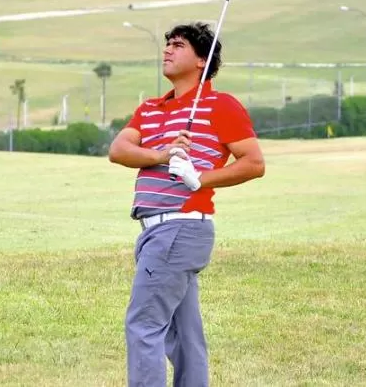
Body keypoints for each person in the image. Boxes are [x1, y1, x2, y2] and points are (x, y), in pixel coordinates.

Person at [108, 22, 266, 387]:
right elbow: (119, 150)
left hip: (178, 227)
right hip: (158, 232)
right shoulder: (150, 108)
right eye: (167, 44)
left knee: (144, 323)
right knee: (183, 336)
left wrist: (200, 177)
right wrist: (163, 154)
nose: (167, 50)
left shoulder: (220, 105)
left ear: (200, 60)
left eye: (177, 45)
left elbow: (253, 163)